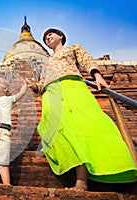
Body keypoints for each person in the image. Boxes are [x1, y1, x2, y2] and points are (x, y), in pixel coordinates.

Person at [25, 28, 137, 191]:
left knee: (80, 127)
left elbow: (87, 61)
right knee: (57, 129)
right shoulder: (47, 61)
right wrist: (33, 85)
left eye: (50, 35)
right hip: (51, 93)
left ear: (60, 36)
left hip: (72, 86)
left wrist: (98, 76)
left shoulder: (73, 49)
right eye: (45, 37)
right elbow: (42, 83)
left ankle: (82, 180)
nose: (47, 37)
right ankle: (77, 170)